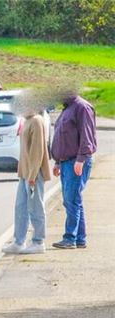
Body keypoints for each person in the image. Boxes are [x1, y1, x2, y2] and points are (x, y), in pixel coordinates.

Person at [49, 88, 97, 249]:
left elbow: (87, 136)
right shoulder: (67, 109)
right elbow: (63, 138)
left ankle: (70, 238)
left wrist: (81, 160)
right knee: (73, 200)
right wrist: (57, 161)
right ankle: (80, 238)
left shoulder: (82, 107)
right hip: (65, 162)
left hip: (76, 161)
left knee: (71, 200)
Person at [3, 97, 50, 254]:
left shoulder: (36, 121)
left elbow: (37, 151)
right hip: (25, 173)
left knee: (35, 207)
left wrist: (32, 175)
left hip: (33, 174)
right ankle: (19, 241)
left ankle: (38, 241)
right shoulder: (27, 121)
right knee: (21, 207)